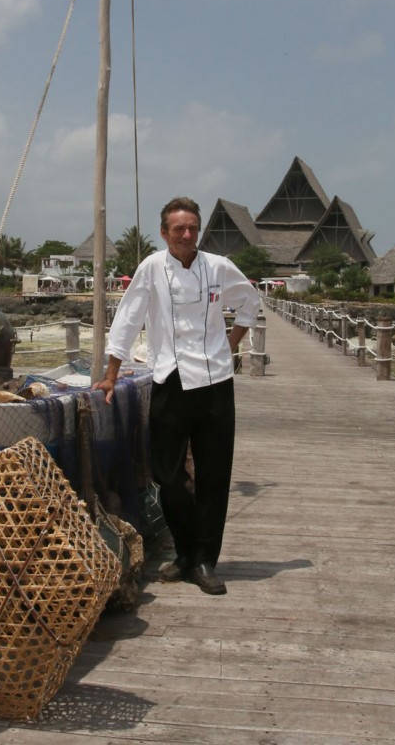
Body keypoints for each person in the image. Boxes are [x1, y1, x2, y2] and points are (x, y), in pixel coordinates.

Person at [95, 197, 259, 595]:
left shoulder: (218, 267)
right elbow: (129, 318)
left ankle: (203, 560)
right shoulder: (152, 268)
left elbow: (251, 302)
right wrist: (111, 374)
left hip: (216, 383)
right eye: (179, 229)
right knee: (167, 475)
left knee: (214, 476)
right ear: (165, 232)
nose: (187, 235)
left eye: (192, 228)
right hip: (170, 380)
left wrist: (232, 344)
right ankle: (185, 552)